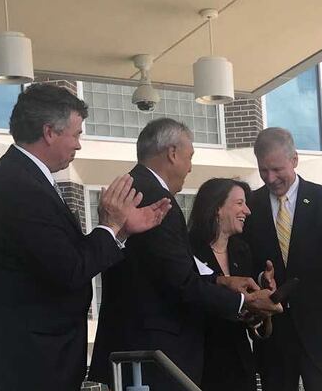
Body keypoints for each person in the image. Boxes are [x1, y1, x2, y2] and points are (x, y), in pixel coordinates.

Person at [0, 84, 172, 391]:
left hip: (35, 356)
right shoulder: (21, 187)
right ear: (50, 132)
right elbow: (70, 269)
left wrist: (120, 230)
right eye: (76, 134)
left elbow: (61, 256)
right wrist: (110, 225)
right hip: (33, 361)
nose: (78, 145)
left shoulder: (23, 177)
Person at [88, 118, 282, 390]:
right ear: (172, 153)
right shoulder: (156, 198)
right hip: (152, 355)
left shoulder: (137, 188)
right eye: (190, 157)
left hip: (141, 351)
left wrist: (220, 281)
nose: (190, 168)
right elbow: (179, 282)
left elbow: (165, 267)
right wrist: (243, 303)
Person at [242, 127, 322, 391]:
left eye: (276, 169)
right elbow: (247, 263)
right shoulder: (251, 205)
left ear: (294, 160)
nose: (270, 178)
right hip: (274, 337)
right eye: (263, 170)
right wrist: (261, 280)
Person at [189, 178, 263, 391]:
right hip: (201, 364)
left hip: (239, 364)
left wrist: (259, 307)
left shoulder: (242, 251)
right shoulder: (187, 250)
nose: (247, 210)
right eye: (240, 203)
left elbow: (246, 314)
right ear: (217, 208)